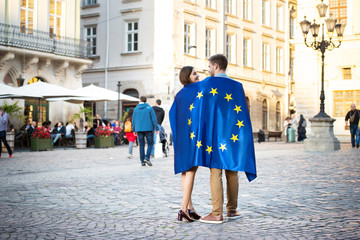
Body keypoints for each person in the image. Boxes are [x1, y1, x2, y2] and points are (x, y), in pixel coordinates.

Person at [170, 54, 257, 224]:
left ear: (215, 66)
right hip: (233, 136)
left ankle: (217, 213)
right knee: (232, 171)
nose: (207, 70)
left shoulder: (206, 85)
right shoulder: (238, 86)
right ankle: (232, 210)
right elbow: (244, 113)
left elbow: (193, 102)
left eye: (209, 67)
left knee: (215, 172)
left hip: (215, 138)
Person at [132, 96, 159, 166]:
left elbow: (133, 120)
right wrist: (157, 128)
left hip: (139, 129)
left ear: (140, 100)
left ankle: (142, 162)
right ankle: (147, 157)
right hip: (148, 129)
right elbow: (154, 119)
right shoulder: (150, 108)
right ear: (146, 101)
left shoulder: (136, 109)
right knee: (150, 143)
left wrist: (134, 129)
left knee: (141, 145)